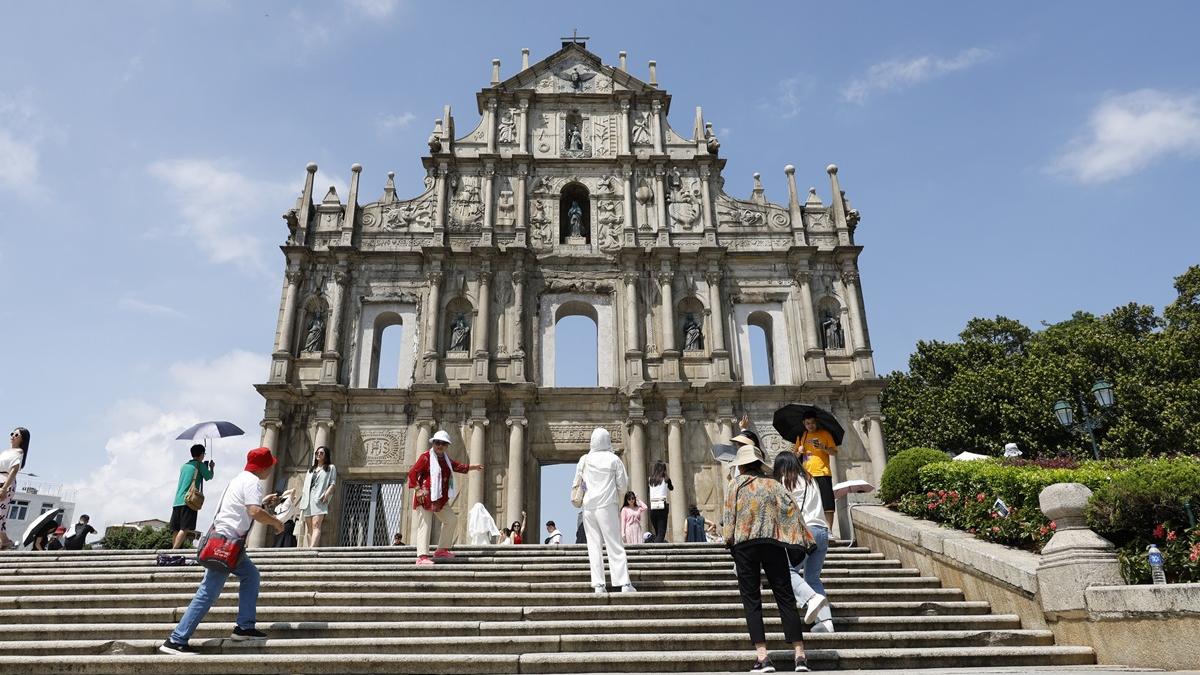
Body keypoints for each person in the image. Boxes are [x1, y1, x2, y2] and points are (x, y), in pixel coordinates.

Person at [159, 447, 285, 655]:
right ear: (263, 467)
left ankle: (245, 627)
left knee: (251, 575)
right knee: (208, 592)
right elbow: (253, 512)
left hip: (228, 542)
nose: (271, 469)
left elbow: (246, 507)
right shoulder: (253, 482)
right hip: (226, 545)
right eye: (270, 465)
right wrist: (275, 522)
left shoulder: (239, 479)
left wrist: (263, 503)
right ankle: (176, 639)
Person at [723, 442, 813, 673]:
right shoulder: (774, 484)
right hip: (773, 544)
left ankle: (763, 657)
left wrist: (728, 541)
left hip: (745, 546)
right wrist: (801, 538)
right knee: (784, 596)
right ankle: (800, 655)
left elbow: (729, 516)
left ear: (742, 466)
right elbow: (791, 509)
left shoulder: (736, 484)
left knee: (752, 599)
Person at [774, 451, 834, 633]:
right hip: (822, 531)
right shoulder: (810, 479)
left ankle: (810, 599)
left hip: (803, 532)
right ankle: (826, 622)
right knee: (813, 578)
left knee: (786, 570)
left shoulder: (786, 481)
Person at [406, 430, 483, 566]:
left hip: (440, 497)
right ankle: (422, 556)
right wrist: (417, 490)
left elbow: (457, 466)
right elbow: (413, 473)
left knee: (451, 520)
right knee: (425, 524)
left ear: (447, 446)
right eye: (437, 443)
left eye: (443, 443)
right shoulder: (426, 457)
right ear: (433, 443)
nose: (439, 446)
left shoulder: (445, 459)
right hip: (425, 496)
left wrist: (473, 467)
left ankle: (441, 549)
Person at [576, 427, 636, 593]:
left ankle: (598, 585)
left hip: (588, 507)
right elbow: (623, 484)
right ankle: (624, 583)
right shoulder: (613, 459)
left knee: (593, 546)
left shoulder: (584, 459)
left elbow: (578, 483)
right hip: (607, 505)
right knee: (614, 544)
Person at [794, 413, 838, 529]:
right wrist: (799, 451)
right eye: (808, 423)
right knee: (808, 502)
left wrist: (823, 448)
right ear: (804, 424)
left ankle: (829, 530)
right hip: (806, 475)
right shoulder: (801, 436)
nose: (810, 425)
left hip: (823, 472)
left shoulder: (825, 434)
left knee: (827, 503)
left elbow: (834, 452)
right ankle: (810, 529)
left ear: (816, 422)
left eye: (812, 422)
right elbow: (795, 456)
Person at [171, 444, 214, 549]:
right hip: (189, 500)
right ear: (202, 454)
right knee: (184, 528)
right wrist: (211, 468)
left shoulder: (184, 466)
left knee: (176, 529)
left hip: (177, 500)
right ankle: (174, 550)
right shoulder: (199, 465)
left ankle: (173, 549)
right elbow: (209, 476)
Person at [298, 446, 337, 548]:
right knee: (309, 527)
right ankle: (312, 546)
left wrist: (326, 494)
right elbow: (306, 487)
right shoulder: (310, 470)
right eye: (317, 453)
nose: (318, 455)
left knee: (316, 524)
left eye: (321, 453)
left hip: (319, 499)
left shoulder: (330, 468)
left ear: (326, 455)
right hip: (307, 500)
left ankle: (311, 549)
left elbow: (333, 484)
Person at [0, 427, 30, 550]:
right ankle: (5, 541)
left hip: (5, 483)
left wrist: (5, 488)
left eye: (16, 435)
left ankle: (5, 541)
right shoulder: (5, 452)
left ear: (22, 439)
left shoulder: (19, 452)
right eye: (12, 433)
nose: (12, 436)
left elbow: (14, 470)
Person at [647, 460, 673, 543]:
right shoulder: (666, 479)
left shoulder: (650, 479)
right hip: (662, 506)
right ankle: (655, 551)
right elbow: (671, 488)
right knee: (661, 533)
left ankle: (656, 547)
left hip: (653, 507)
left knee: (658, 532)